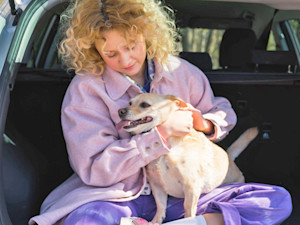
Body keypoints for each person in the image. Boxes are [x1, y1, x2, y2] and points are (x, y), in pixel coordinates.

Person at [29, 0, 292, 224]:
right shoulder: (86, 89)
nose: (126, 59)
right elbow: (95, 169)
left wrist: (203, 123)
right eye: (111, 53)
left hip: (184, 196)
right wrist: (160, 134)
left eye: (132, 45)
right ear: (93, 51)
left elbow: (220, 111)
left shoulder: (181, 72)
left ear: (147, 33)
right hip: (115, 198)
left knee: (276, 201)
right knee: (86, 219)